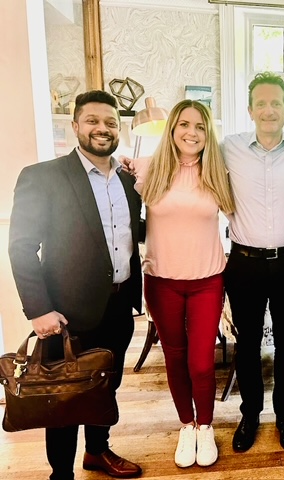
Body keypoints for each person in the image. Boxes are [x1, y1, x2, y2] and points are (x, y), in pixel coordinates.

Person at [8, 90, 143, 480]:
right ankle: (61, 474)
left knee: (105, 386)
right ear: (75, 126)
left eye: (111, 122)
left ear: (119, 129)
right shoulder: (43, 176)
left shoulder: (129, 180)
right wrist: (39, 310)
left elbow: (132, 233)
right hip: (66, 312)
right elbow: (20, 246)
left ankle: (97, 452)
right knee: (63, 396)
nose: (102, 128)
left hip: (119, 305)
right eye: (93, 121)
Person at [122, 100, 235, 468]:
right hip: (161, 282)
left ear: (208, 133)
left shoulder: (219, 173)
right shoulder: (147, 168)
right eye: (184, 124)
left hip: (207, 282)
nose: (192, 132)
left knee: (201, 363)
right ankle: (186, 425)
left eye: (200, 126)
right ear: (172, 129)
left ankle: (206, 426)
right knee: (174, 357)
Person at [220, 72, 284, 453]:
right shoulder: (229, 147)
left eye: (276, 103)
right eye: (261, 103)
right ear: (250, 110)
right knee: (247, 346)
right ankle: (250, 414)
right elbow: (187, 159)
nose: (269, 110)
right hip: (244, 263)